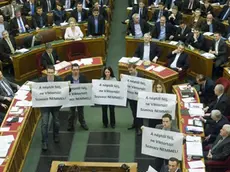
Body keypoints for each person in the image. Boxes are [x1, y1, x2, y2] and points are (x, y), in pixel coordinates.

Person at [38, 65, 62, 151]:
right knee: (44, 123)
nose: (50, 74)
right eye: (49, 72)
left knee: (56, 121)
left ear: (54, 72)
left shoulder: (59, 80)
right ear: (46, 72)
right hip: (45, 105)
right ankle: (44, 141)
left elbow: (64, 90)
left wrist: (68, 88)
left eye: (52, 72)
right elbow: (36, 91)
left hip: (55, 105)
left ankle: (56, 136)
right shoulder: (41, 80)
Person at [64, 63, 89, 131]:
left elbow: (87, 86)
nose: (76, 71)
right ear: (71, 70)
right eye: (74, 70)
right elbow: (64, 88)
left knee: (80, 112)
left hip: (80, 98)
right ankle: (70, 125)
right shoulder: (67, 78)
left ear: (79, 70)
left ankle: (82, 123)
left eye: (77, 70)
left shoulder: (83, 77)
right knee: (72, 113)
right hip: (72, 99)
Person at [121, 64, 143, 135]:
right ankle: (135, 124)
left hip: (138, 98)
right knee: (133, 111)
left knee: (139, 113)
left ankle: (139, 127)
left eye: (131, 70)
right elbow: (123, 84)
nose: (130, 72)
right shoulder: (127, 75)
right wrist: (121, 78)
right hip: (131, 97)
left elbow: (144, 85)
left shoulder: (141, 75)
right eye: (129, 70)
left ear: (135, 68)